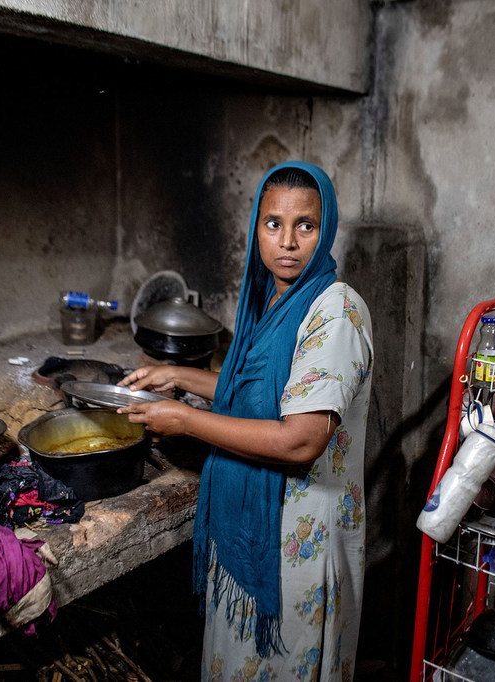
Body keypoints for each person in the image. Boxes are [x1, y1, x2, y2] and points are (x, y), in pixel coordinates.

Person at [118, 161, 373, 681]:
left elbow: (300, 439)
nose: (288, 242)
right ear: (256, 227)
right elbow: (261, 396)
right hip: (259, 527)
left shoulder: (335, 311)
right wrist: (179, 376)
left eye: (306, 225)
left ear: (326, 229)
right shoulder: (274, 299)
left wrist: (187, 421)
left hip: (298, 543)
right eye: (273, 223)